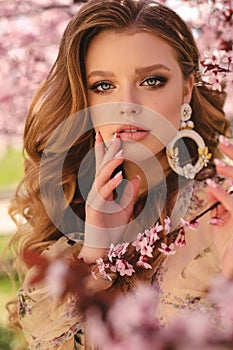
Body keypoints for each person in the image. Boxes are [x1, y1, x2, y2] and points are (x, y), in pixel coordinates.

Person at [7, 0, 233, 349]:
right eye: (103, 86)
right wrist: (97, 257)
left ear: (187, 88)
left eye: (152, 81)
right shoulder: (68, 226)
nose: (129, 104)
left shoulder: (222, 214)